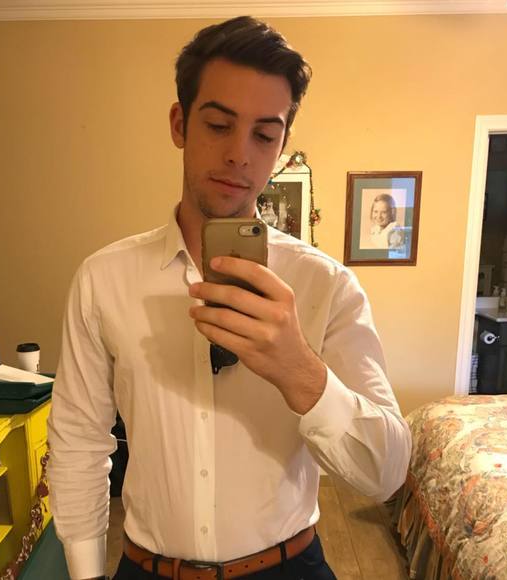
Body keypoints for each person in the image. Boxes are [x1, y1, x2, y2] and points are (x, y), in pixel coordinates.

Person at [47, 16, 411, 580]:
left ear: (282, 145)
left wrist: (299, 370)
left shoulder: (326, 286)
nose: (240, 154)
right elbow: (79, 442)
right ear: (179, 124)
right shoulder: (103, 280)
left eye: (264, 135)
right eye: (218, 125)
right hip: (146, 569)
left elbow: (385, 473)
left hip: (289, 567)